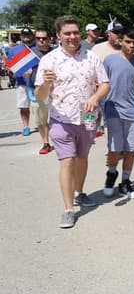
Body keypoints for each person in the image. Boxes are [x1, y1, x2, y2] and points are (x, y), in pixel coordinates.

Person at [34, 15, 110, 228]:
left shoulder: (91, 57)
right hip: (61, 119)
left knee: (82, 158)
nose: (72, 36)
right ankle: (68, 209)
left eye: (75, 32)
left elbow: (104, 83)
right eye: (67, 33)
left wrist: (95, 97)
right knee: (67, 161)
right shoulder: (49, 60)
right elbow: (40, 96)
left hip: (87, 118)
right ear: (58, 35)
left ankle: (79, 192)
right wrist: (45, 84)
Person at [101, 28, 134, 200]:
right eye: (128, 42)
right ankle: (111, 174)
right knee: (115, 148)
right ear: (121, 41)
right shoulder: (109, 60)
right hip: (113, 109)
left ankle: (125, 182)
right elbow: (101, 83)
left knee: (131, 149)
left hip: (133, 111)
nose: (131, 45)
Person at [29, 28, 56, 154]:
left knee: (59, 117)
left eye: (44, 38)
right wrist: (24, 73)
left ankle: (62, 141)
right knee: (41, 119)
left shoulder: (56, 53)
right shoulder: (29, 54)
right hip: (37, 90)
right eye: (38, 38)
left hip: (56, 90)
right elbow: (18, 70)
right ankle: (46, 143)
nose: (41, 40)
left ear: (49, 39)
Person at [14, 27, 37, 135]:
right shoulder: (15, 49)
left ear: (32, 36)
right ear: (21, 36)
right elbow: (10, 66)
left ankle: (43, 124)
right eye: (24, 35)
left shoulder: (38, 47)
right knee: (23, 107)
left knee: (41, 107)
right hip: (21, 83)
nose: (26, 37)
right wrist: (18, 72)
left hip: (37, 83)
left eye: (28, 35)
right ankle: (26, 127)